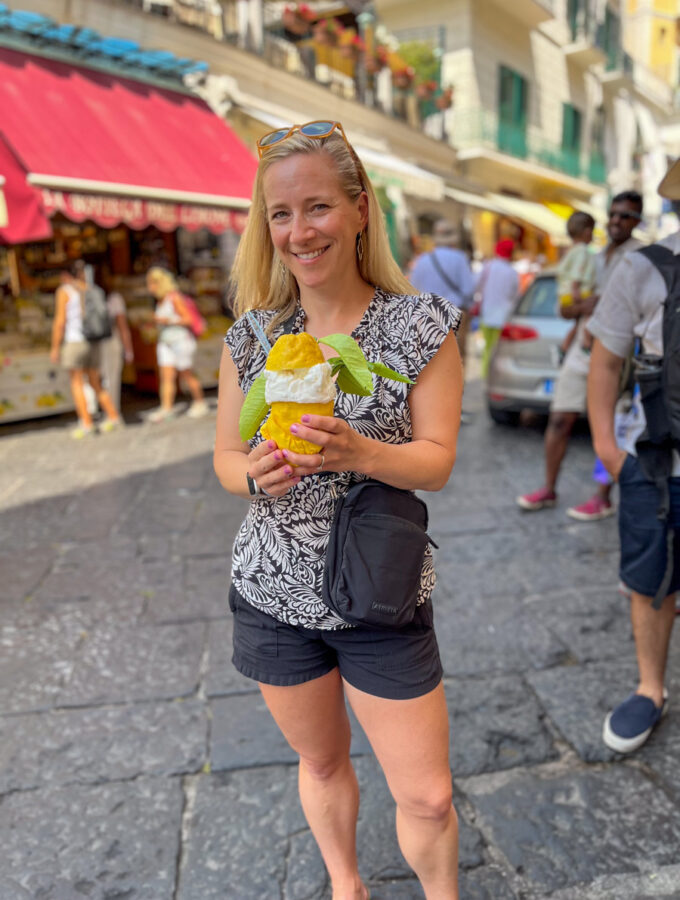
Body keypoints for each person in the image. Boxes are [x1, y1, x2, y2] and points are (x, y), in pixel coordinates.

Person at [214, 121, 463, 899]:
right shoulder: (253, 338)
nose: (299, 231)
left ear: (360, 211)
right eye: (280, 215)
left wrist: (361, 453)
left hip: (381, 593)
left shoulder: (421, 325)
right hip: (272, 591)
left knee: (427, 794)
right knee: (320, 761)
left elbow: (439, 459)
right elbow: (224, 458)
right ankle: (346, 886)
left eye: (317, 207)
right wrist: (255, 477)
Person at [587, 160, 679, 753]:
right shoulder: (645, 267)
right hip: (655, 463)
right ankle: (650, 689)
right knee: (650, 581)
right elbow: (605, 361)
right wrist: (604, 449)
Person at [516, 192, 643, 517]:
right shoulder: (593, 257)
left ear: (637, 221)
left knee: (609, 427)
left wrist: (588, 306)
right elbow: (571, 307)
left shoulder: (642, 257)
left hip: (616, 353)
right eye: (613, 213)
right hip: (581, 349)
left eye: (626, 215)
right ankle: (548, 488)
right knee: (559, 419)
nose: (617, 220)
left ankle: (603, 495)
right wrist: (579, 312)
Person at [49, 261, 122, 439]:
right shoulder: (90, 288)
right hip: (93, 341)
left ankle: (87, 423)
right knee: (95, 382)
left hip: (75, 342)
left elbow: (60, 321)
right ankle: (113, 416)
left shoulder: (64, 291)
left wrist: (55, 347)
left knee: (76, 383)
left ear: (65, 275)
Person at [410, 219, 475, 373]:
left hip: (427, 315)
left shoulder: (422, 261)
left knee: (430, 360)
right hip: (455, 313)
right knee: (456, 359)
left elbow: (412, 289)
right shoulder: (459, 258)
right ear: (453, 240)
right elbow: (469, 289)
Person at [145, 267, 209, 423]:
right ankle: (166, 408)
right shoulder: (160, 301)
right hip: (165, 342)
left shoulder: (174, 298)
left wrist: (167, 321)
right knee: (166, 376)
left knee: (186, 373)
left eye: (151, 284)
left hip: (180, 340)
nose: (149, 288)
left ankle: (200, 402)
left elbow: (187, 319)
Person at [555, 211, 596, 360]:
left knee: (578, 323)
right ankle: (587, 343)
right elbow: (577, 272)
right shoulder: (582, 251)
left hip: (565, 294)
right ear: (587, 232)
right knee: (589, 316)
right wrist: (575, 289)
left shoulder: (570, 250)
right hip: (578, 292)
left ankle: (564, 347)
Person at [476, 238, 518, 377]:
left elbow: (476, 285)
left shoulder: (488, 266)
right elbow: (515, 295)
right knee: (499, 350)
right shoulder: (512, 272)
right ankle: (496, 376)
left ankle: (485, 375)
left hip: (487, 313)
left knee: (488, 347)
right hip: (504, 316)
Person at [100, 289, 134, 416]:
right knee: (111, 379)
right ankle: (112, 412)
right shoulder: (115, 298)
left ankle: (98, 411)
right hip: (111, 342)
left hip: (93, 344)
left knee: (95, 380)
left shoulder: (82, 295)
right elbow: (122, 325)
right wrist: (128, 349)